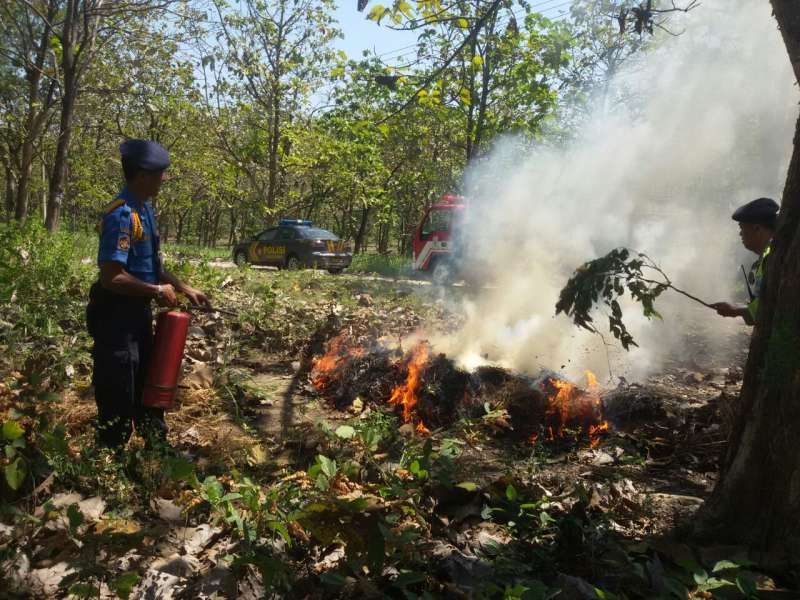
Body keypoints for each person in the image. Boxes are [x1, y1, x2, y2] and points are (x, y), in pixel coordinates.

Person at [86, 139, 210, 448]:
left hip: (138, 315)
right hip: (117, 318)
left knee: (148, 385)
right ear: (141, 175)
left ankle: (155, 455)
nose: (164, 179)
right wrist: (156, 290)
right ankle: (108, 469)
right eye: (159, 173)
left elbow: (152, 266)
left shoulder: (146, 210)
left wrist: (184, 288)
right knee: (118, 393)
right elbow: (112, 277)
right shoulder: (121, 215)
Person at [710, 197, 779, 325]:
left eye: (742, 228)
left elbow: (774, 305)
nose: (740, 234)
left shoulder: (774, 258)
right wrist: (738, 310)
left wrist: (737, 310)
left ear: (757, 228)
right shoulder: (768, 256)